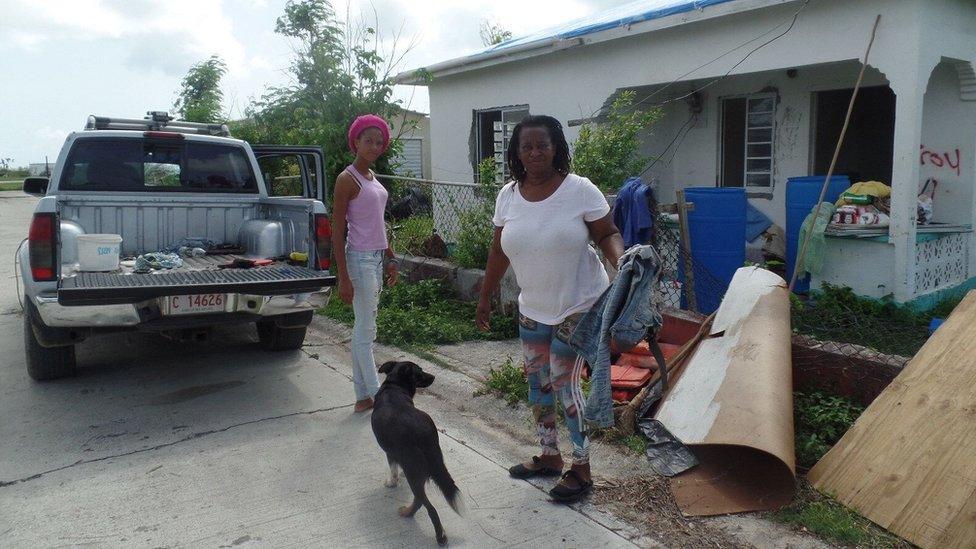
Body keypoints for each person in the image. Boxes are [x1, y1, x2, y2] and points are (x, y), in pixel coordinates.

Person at [476, 115, 624, 503]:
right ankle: (548, 455)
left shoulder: (579, 190)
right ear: (517, 153)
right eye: (527, 146)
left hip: (579, 305)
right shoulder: (507, 196)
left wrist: (622, 262)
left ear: (555, 147)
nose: (535, 152)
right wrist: (485, 295)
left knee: (563, 383)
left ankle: (581, 467)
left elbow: (606, 232)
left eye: (543, 145)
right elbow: (497, 251)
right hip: (533, 308)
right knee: (536, 384)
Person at [332, 114, 399, 413]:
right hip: (358, 259)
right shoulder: (347, 179)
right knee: (366, 330)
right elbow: (337, 231)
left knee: (364, 327)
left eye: (379, 141)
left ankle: (362, 398)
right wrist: (342, 277)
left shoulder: (372, 178)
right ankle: (380, 397)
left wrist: (390, 256)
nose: (374, 145)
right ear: (355, 142)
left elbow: (378, 223)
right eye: (368, 140)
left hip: (375, 257)